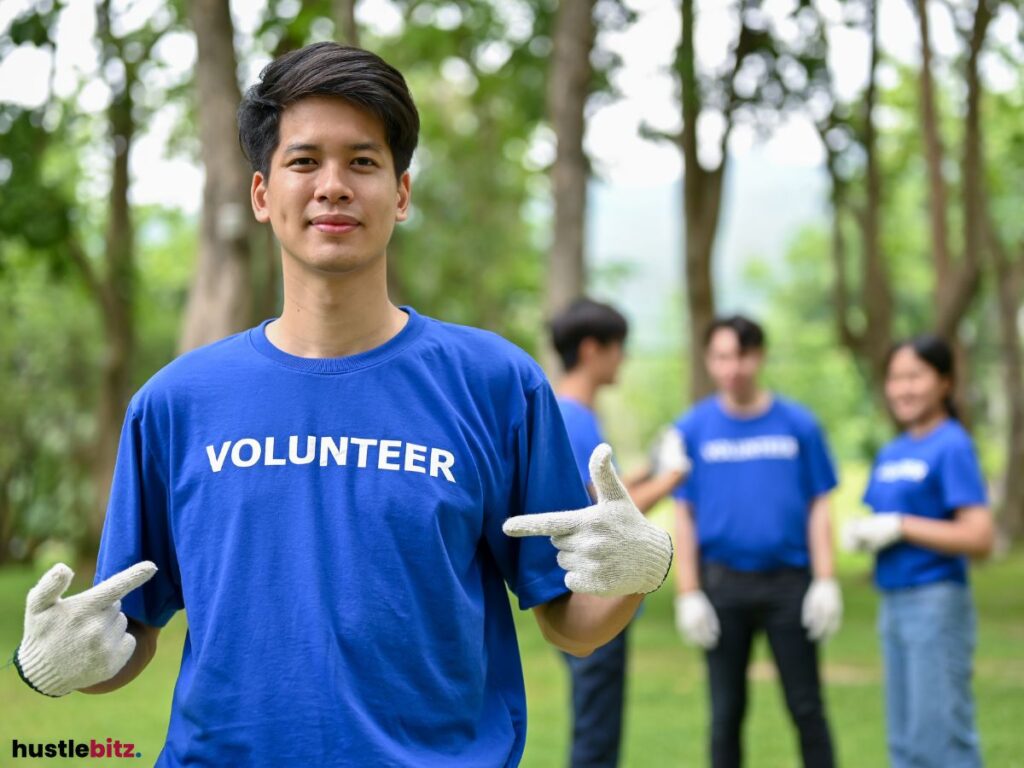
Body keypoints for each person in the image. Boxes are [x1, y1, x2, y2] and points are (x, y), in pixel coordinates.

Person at [11, 43, 674, 767]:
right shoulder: (176, 403)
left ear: (402, 192)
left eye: (362, 162)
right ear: (263, 194)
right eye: (304, 162)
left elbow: (570, 623)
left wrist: (646, 566)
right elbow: (129, 637)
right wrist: (57, 665)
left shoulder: (495, 385)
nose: (333, 186)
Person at [672, 315, 842, 768]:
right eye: (723, 356)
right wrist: (688, 592)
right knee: (726, 713)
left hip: (790, 585)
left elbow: (819, 503)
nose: (734, 367)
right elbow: (683, 514)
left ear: (759, 356)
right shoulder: (692, 429)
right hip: (723, 585)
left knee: (806, 706)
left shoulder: (798, 425)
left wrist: (826, 579)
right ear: (710, 360)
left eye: (743, 355)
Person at [549, 297, 689, 768]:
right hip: (593, 597)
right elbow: (604, 517)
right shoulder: (572, 417)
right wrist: (670, 480)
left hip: (593, 591)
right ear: (592, 350)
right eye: (618, 348)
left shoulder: (568, 414)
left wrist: (650, 467)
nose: (623, 359)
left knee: (598, 729)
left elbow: (603, 494)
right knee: (597, 737)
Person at [843, 334, 993, 768]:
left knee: (941, 739)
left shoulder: (952, 444)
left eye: (915, 376)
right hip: (893, 602)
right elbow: (882, 515)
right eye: (895, 378)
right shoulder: (893, 451)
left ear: (945, 381)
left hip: (936, 601)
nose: (903, 388)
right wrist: (866, 532)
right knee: (906, 745)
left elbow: (979, 537)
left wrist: (903, 526)